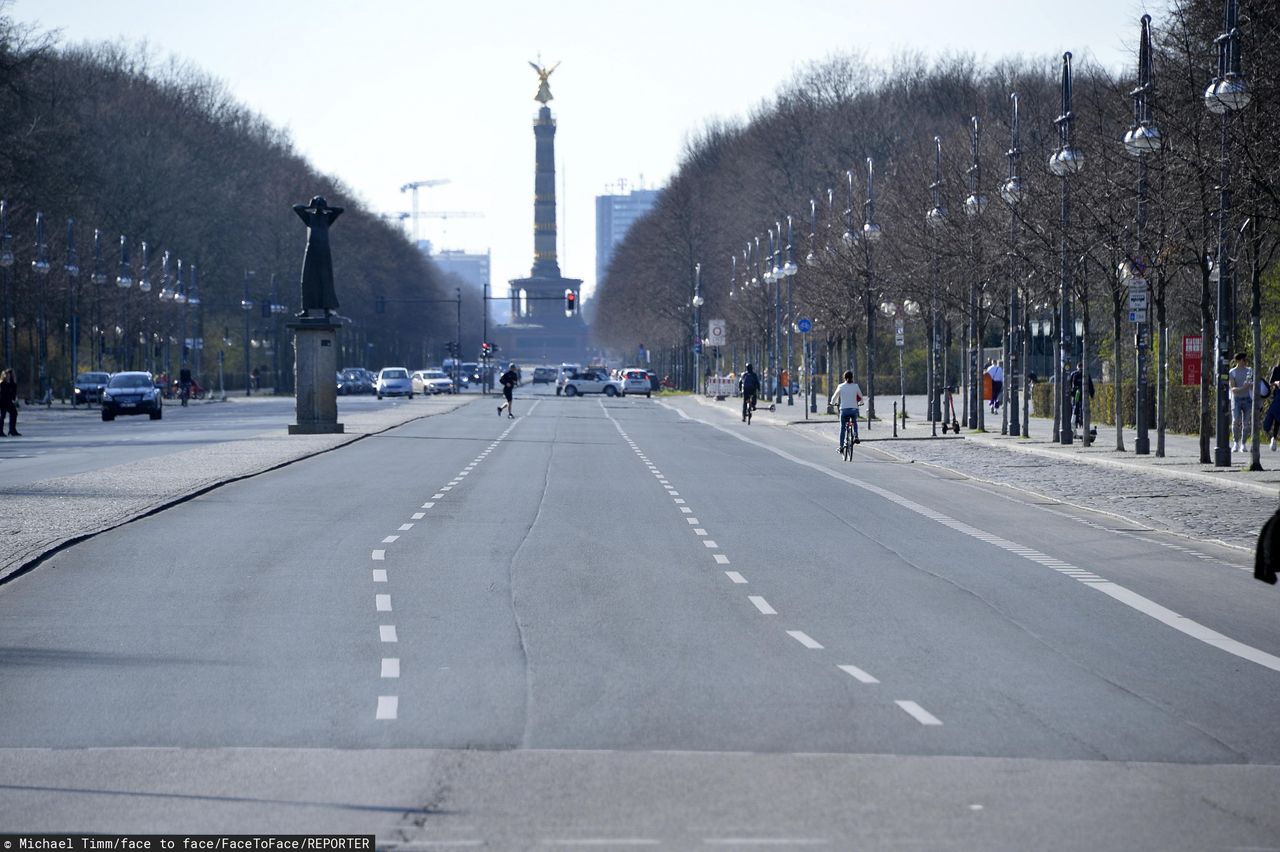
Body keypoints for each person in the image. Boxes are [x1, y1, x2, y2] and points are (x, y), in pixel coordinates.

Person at [829, 370, 864, 452]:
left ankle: (841, 447)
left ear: (844, 378)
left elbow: (834, 397)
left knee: (842, 428)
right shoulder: (855, 386)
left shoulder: (841, 386)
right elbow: (861, 396)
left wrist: (832, 403)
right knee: (854, 422)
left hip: (844, 410)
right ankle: (856, 436)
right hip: (854, 409)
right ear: (852, 377)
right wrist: (861, 403)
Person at [1228, 352, 1254, 453]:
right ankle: (1236, 443)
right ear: (1238, 361)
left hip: (1247, 399)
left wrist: (1250, 385)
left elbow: (1252, 383)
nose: (1245, 362)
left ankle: (1243, 443)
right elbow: (1233, 388)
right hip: (1236, 399)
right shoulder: (1232, 372)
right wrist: (1243, 387)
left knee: (1246, 423)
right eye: (1243, 360)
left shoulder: (1249, 370)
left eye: (1245, 360)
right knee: (1235, 421)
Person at [1068, 361, 1094, 437]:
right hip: (1078, 395)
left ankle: (1079, 422)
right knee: (1076, 408)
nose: (1080, 370)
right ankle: (1077, 422)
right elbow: (1070, 384)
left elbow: (1090, 385)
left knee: (1079, 408)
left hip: (1080, 395)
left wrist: (1091, 393)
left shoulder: (1082, 374)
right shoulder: (1077, 374)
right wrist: (1092, 394)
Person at [1263, 359, 1280, 451]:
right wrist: (1276, 382)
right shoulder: (1276, 369)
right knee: (1276, 417)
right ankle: (1273, 437)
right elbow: (1270, 383)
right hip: (1278, 395)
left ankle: (1274, 437)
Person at [0, 368, 18, 436]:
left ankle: (12, 430)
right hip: (2, 401)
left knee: (14, 413)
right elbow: (4, 394)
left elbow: (13, 395)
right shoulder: (2, 383)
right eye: (6, 375)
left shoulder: (11, 383)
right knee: (2, 415)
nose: (8, 376)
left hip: (8, 401)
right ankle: (0, 431)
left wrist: (14, 384)